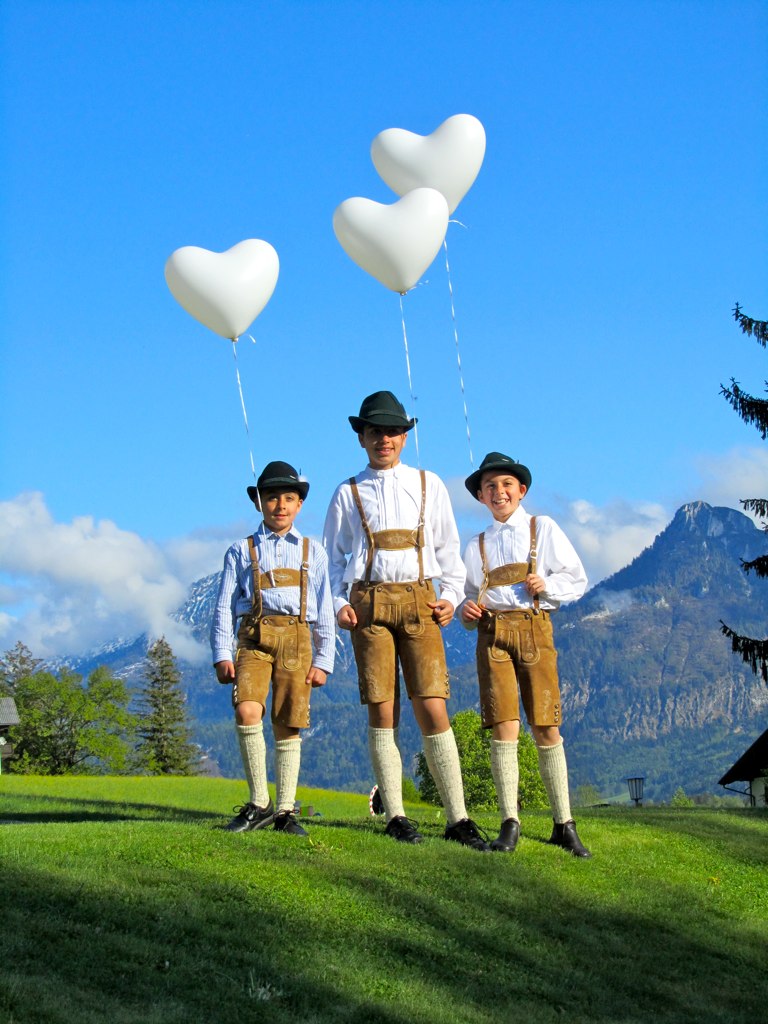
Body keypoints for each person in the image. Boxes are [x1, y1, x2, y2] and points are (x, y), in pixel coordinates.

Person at [323, 390, 489, 851]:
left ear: (405, 436)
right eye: (375, 431)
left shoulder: (427, 484)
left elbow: (446, 550)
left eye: (393, 432)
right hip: (369, 605)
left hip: (420, 601)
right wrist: (339, 604)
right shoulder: (348, 492)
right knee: (383, 708)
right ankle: (396, 814)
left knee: (433, 705)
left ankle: (458, 816)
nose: (385, 439)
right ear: (361, 437)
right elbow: (333, 560)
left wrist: (452, 595)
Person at [460, 451, 591, 857]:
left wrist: (546, 584)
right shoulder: (475, 545)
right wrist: (468, 612)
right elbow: (467, 603)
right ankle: (509, 823)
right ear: (481, 496)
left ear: (521, 490)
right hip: (492, 634)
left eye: (505, 485)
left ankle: (564, 823)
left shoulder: (543, 528)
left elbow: (578, 579)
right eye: (490, 487)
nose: (498, 492)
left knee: (546, 725)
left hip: (535, 629)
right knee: (503, 726)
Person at [210, 461, 335, 837]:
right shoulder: (240, 550)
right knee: (248, 709)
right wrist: (221, 653)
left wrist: (325, 659)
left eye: (288, 498)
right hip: (253, 640)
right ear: (258, 502)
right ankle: (259, 801)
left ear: (299, 505)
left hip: (298, 641)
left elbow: (325, 606)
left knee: (287, 723)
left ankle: (284, 811)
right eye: (272, 497)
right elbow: (221, 605)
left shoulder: (314, 552)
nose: (280, 505)